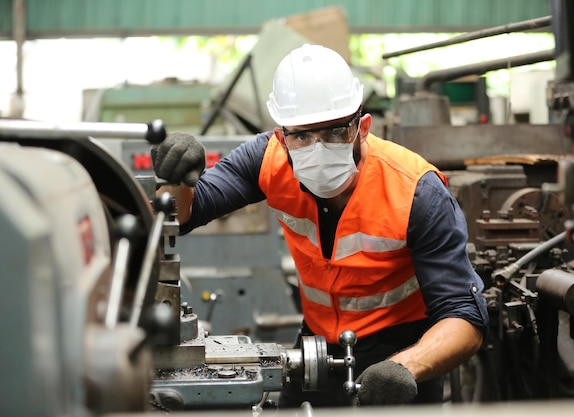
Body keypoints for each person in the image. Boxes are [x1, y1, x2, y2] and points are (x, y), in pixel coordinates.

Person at [151, 43, 489, 408]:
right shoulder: (267, 160)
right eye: (302, 136)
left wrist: (405, 367)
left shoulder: (417, 192)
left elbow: (465, 318)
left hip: (401, 360)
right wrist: (177, 178)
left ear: (362, 127)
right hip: (313, 353)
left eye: (334, 132)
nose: (318, 148)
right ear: (282, 137)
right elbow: (185, 214)